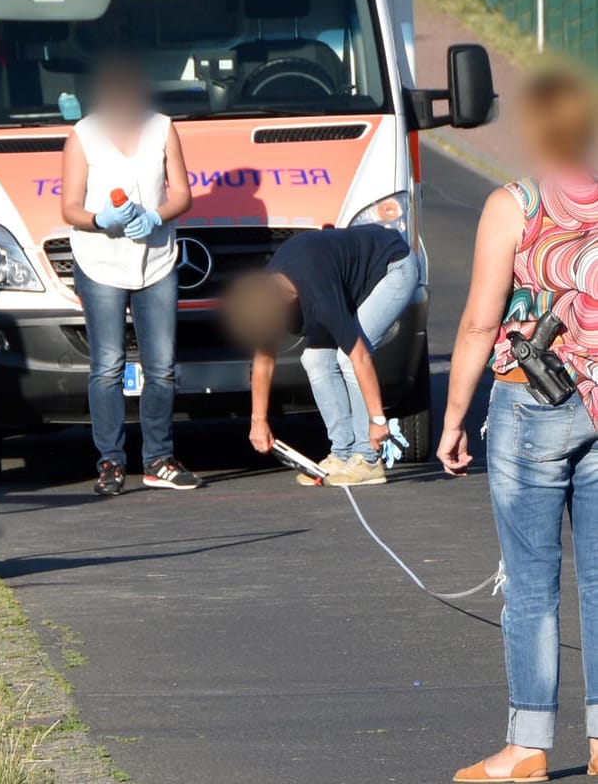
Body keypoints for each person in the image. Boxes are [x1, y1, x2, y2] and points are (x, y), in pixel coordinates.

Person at [441, 73, 598, 783]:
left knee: (533, 582)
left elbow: (478, 324)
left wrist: (453, 419)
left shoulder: (515, 206)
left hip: (529, 402)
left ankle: (528, 747)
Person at [59, 57, 202, 496]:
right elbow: (69, 208)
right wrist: (100, 220)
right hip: (100, 262)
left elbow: (183, 195)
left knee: (161, 366)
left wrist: (155, 216)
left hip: (156, 259)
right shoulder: (82, 137)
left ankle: (159, 458)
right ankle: (110, 461)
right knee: (108, 365)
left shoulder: (162, 128)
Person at [223, 223, 419, 488]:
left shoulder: (319, 296)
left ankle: (368, 459)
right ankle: (342, 453)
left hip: (393, 267)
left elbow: (359, 356)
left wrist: (378, 419)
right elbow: (263, 361)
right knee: (315, 360)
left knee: (347, 358)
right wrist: (258, 421)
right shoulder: (266, 292)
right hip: (347, 278)